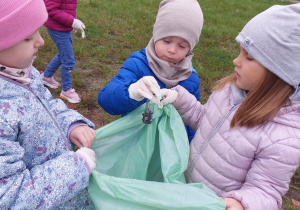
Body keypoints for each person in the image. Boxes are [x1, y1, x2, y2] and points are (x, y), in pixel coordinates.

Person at [159, 3, 300, 210]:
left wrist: (242, 203)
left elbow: (266, 190)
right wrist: (179, 98)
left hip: (213, 204)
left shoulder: (283, 137)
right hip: (186, 189)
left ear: (279, 75)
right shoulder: (229, 92)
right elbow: (204, 121)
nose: (236, 61)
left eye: (249, 57)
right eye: (239, 52)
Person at [0, 0, 96, 208]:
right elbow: (9, 197)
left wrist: (71, 123)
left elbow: (47, 105)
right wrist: (77, 168)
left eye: (37, 32)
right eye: (28, 37)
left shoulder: (24, 73)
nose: (41, 42)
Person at [97, 0, 203, 142]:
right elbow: (106, 100)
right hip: (134, 142)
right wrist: (132, 92)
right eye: (166, 41)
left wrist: (189, 149)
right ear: (156, 35)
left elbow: (191, 123)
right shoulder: (137, 64)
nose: (172, 50)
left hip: (168, 150)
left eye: (182, 46)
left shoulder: (190, 79)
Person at [41, 0, 86, 103]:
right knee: (68, 60)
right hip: (58, 28)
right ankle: (66, 90)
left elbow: (66, 6)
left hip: (63, 26)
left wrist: (72, 21)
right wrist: (72, 21)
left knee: (63, 54)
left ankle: (46, 76)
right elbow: (51, 10)